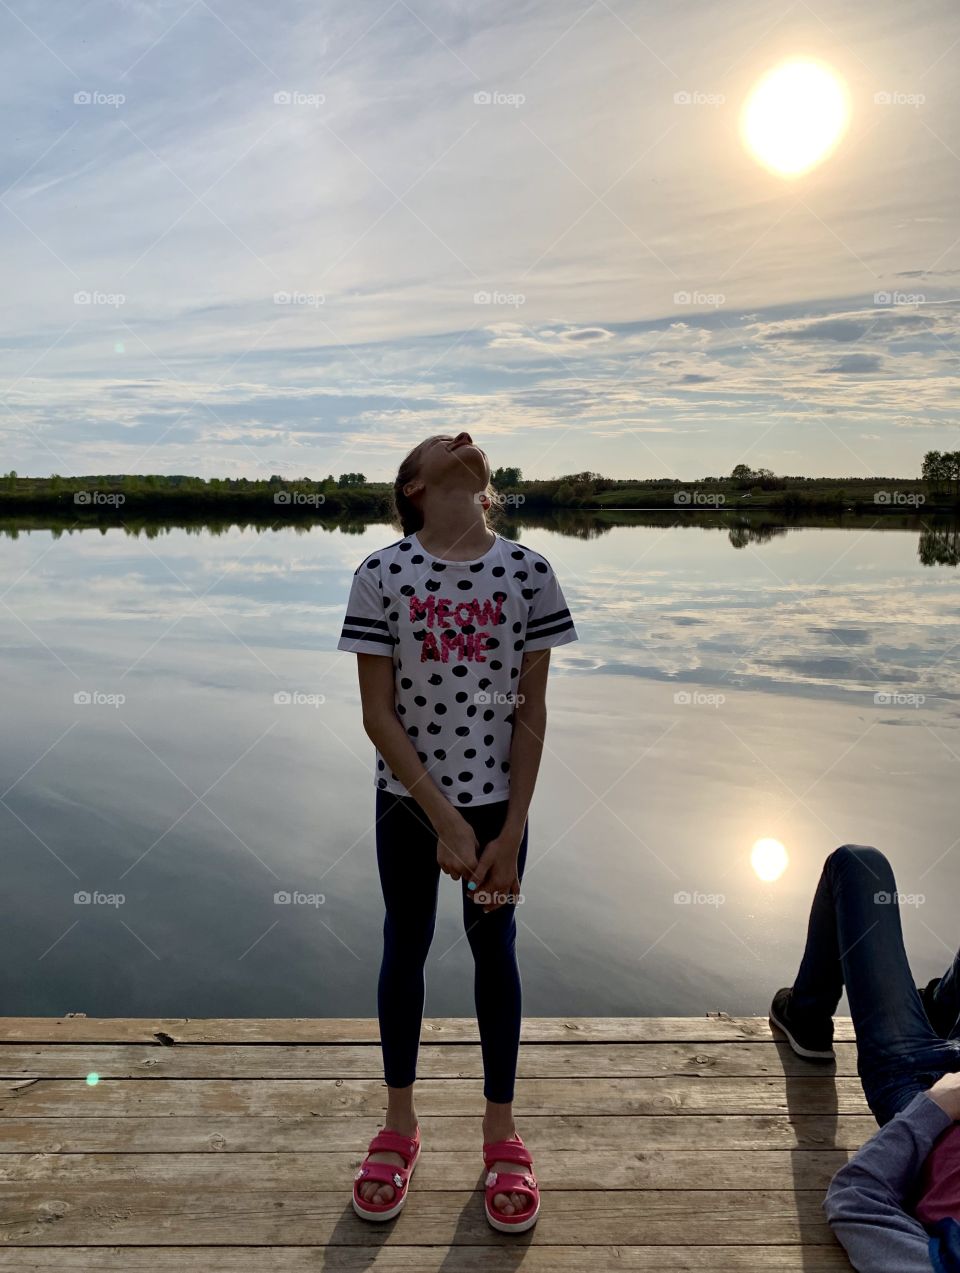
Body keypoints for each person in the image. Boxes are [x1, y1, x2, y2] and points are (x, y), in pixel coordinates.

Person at [336, 432, 578, 1230]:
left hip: (499, 808)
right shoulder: (380, 573)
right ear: (413, 485)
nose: (465, 440)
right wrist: (441, 817)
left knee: (495, 950)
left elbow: (533, 713)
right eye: (445, 442)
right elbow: (378, 714)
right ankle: (399, 1125)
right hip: (409, 804)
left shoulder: (530, 572)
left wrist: (508, 832)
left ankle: (500, 1130)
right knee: (404, 945)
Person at [770, 843, 960, 1270]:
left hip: (921, 1085)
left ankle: (808, 1018)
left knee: (858, 864)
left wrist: (937, 1107)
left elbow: (855, 1203)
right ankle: (939, 1007)